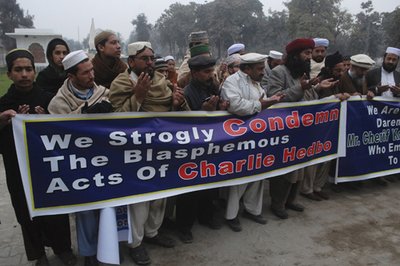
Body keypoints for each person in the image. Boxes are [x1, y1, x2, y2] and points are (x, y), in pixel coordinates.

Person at [109, 41, 189, 266]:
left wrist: (176, 103)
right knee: (139, 199)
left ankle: (152, 233)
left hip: (161, 149)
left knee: (160, 195)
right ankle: (136, 243)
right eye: (144, 58)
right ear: (131, 61)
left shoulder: (162, 81)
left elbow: (170, 112)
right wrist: (138, 97)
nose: (150, 63)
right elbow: (112, 120)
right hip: (135, 152)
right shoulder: (121, 82)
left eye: (152, 58)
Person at [0, 49, 77, 266]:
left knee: (56, 207)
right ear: (9, 74)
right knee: (26, 212)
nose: (24, 74)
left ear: (35, 72)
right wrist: (4, 121)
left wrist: (45, 121)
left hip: (49, 167)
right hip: (18, 169)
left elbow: (65, 134)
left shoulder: (48, 100)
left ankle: (63, 248)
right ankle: (38, 254)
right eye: (18, 70)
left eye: (28, 69)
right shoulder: (4, 104)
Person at [48, 50, 112, 266]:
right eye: (85, 73)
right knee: (84, 211)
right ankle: (89, 253)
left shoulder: (104, 92)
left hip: (103, 161)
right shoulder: (57, 103)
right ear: (71, 77)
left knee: (107, 206)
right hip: (78, 164)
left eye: (92, 70)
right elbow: (61, 130)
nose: (92, 76)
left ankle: (108, 247)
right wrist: (86, 114)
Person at [267, 38, 337, 219]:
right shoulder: (278, 72)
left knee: (300, 167)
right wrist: (300, 87)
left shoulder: (302, 72)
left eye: (309, 53)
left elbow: (308, 97)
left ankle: (291, 200)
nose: (309, 57)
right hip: (285, 130)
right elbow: (275, 98)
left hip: (304, 129)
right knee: (285, 170)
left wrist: (319, 88)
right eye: (306, 53)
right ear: (295, 55)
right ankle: (278, 203)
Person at [220, 53, 284, 231]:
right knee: (238, 176)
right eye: (260, 69)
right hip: (238, 137)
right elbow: (237, 106)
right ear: (247, 69)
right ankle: (231, 215)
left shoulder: (257, 83)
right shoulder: (232, 82)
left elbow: (261, 101)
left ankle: (252, 210)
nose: (263, 72)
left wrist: (269, 101)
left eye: (263, 68)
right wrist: (263, 104)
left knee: (258, 173)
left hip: (257, 137)